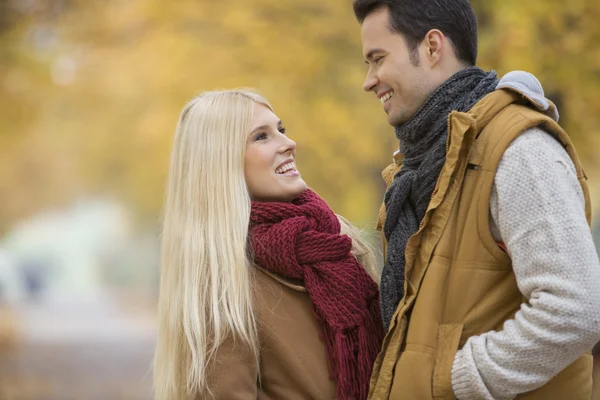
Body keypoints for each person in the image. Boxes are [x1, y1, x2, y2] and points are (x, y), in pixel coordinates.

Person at [352, 0, 600, 399]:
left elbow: (575, 309)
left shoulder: (518, 150)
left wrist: (457, 379)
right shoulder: (424, 169)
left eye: (378, 58)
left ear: (433, 46)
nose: (369, 80)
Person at [153, 89, 384, 400]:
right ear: (221, 163)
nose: (289, 143)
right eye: (261, 137)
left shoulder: (337, 242)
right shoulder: (223, 285)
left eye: (281, 130)